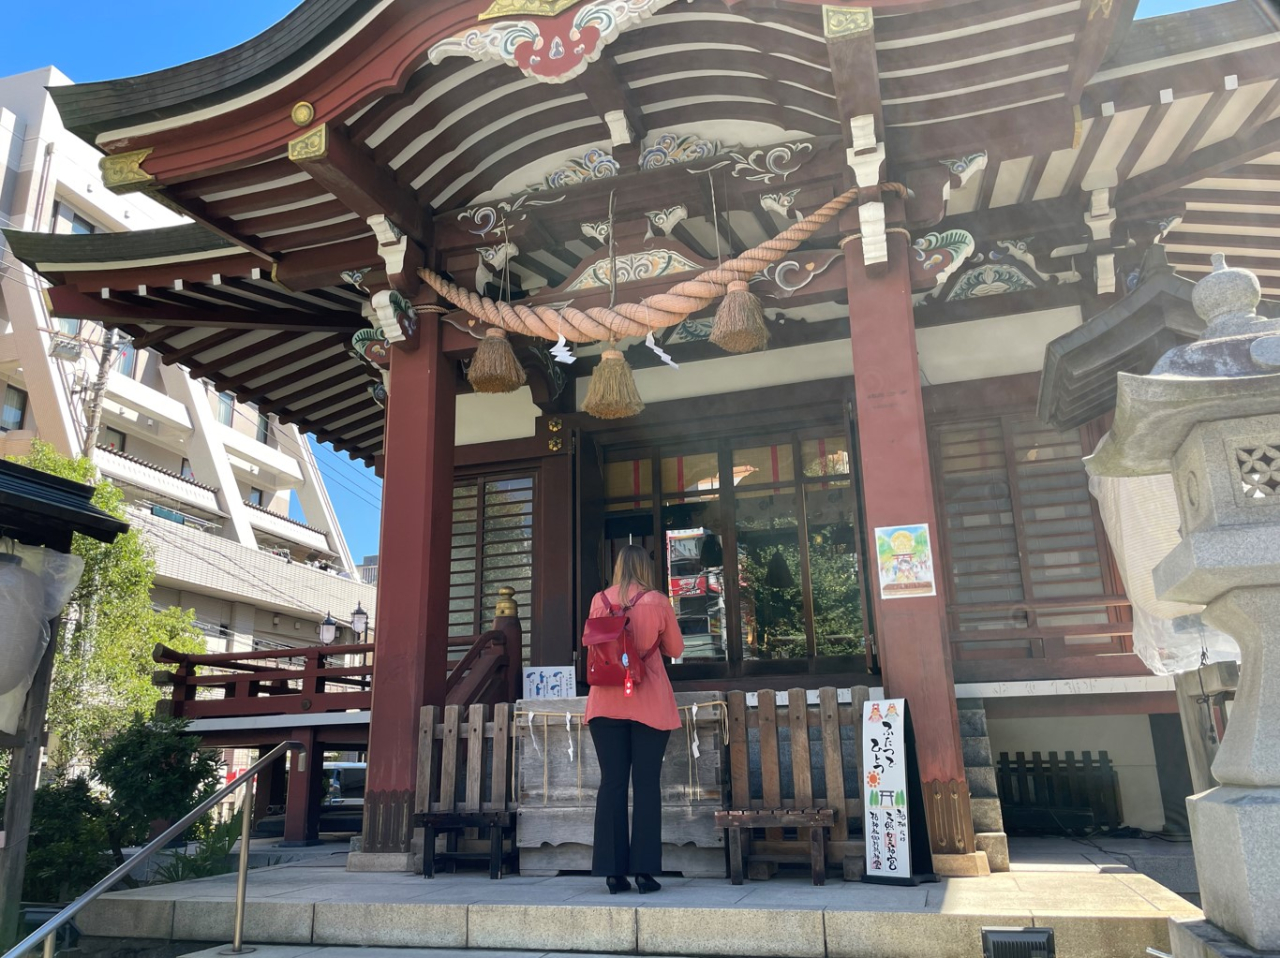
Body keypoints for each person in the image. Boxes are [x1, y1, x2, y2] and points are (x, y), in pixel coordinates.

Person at [586, 543, 684, 895]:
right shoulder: (657, 601)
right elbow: (675, 650)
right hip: (648, 703)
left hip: (605, 703)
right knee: (646, 785)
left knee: (611, 783)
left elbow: (594, 646)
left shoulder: (600, 600)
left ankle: (613, 874)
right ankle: (644, 872)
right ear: (646, 567)